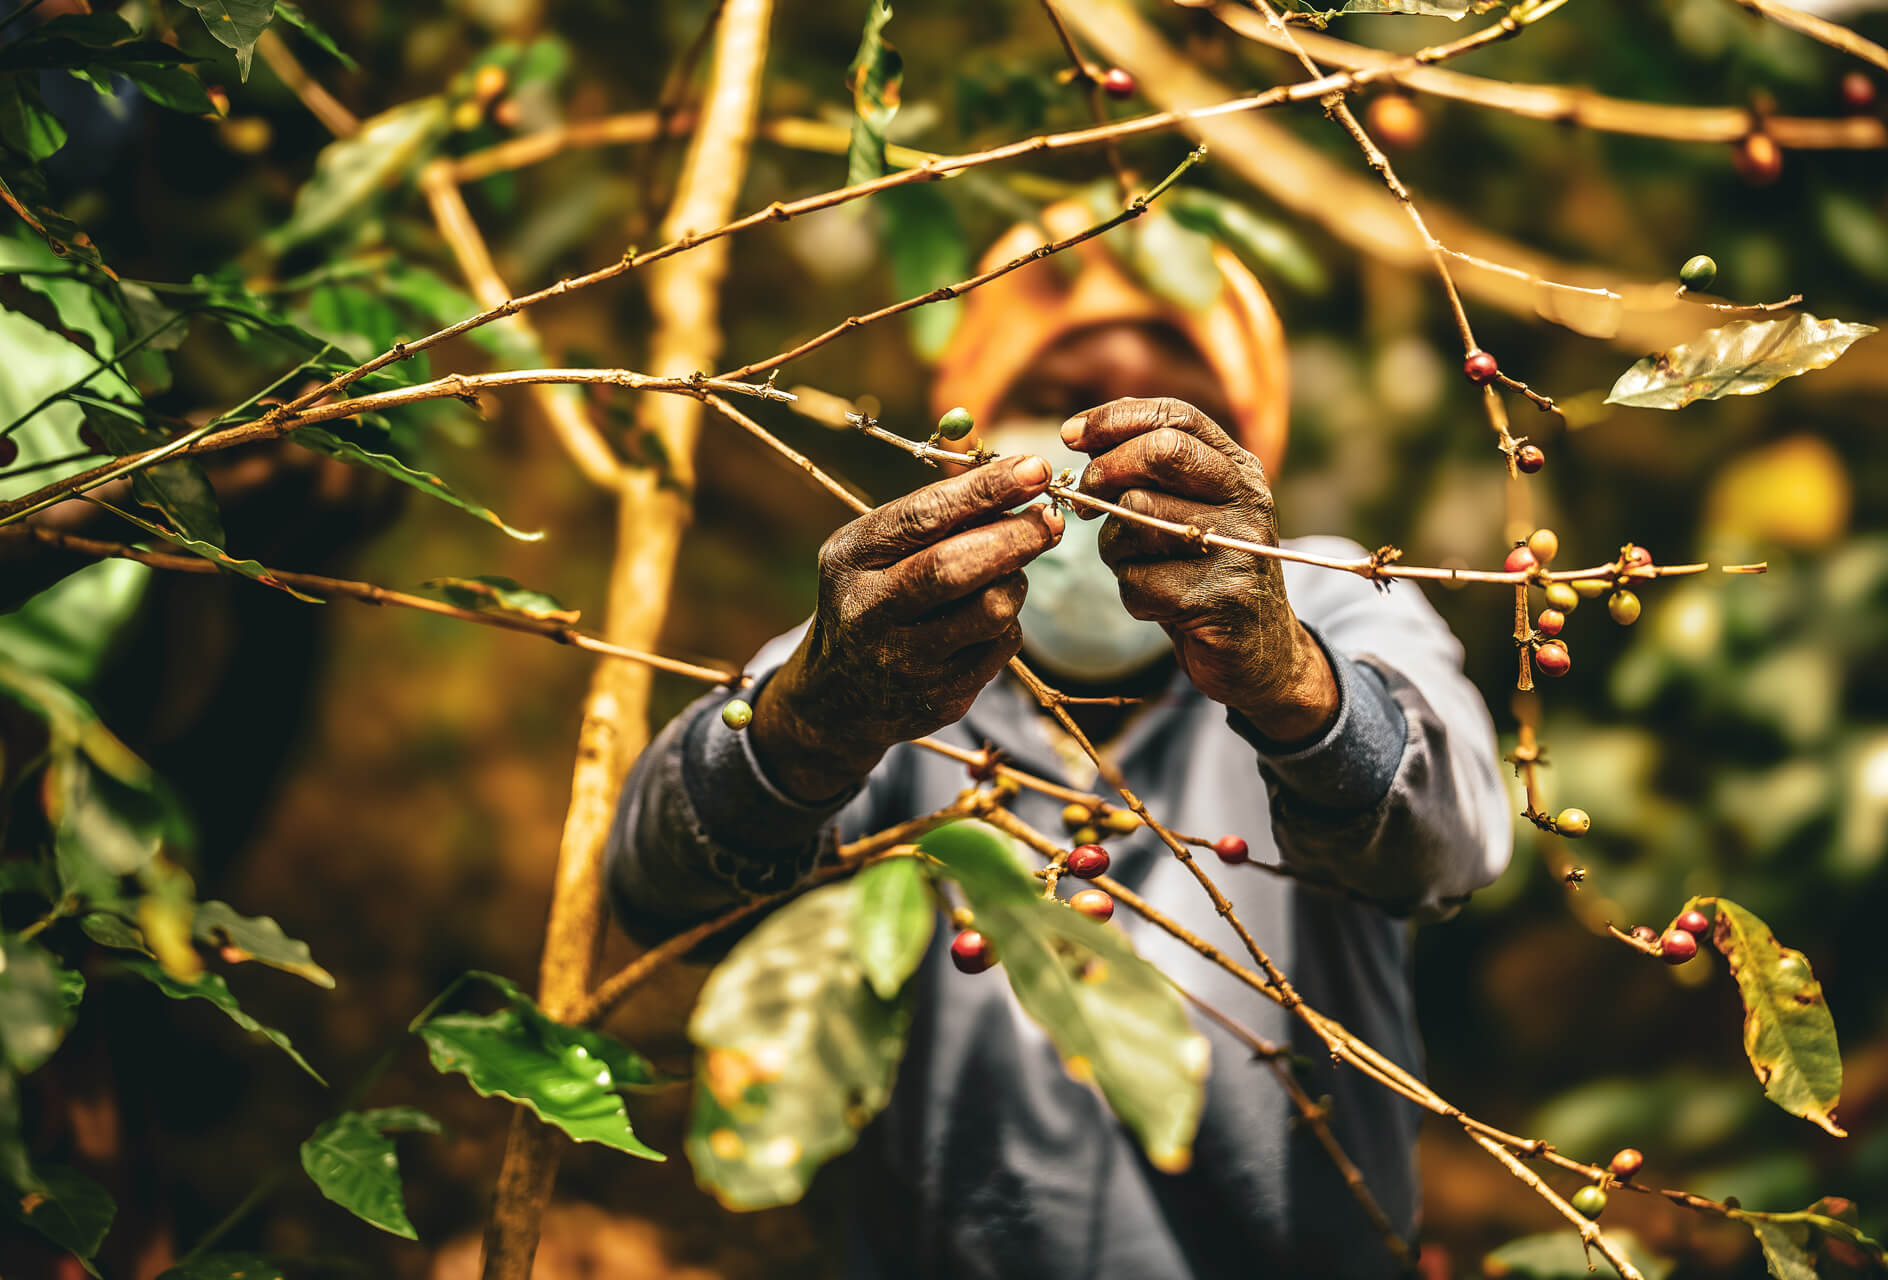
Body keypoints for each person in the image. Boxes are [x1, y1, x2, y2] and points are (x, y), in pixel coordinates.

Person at [605, 202, 1511, 1278]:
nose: (1112, 451)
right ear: (962, 436)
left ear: (1248, 463)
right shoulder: (881, 635)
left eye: (1174, 417)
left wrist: (1290, 678)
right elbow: (663, 880)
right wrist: (818, 716)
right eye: (1058, 403)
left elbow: (1452, 838)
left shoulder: (1334, 597)